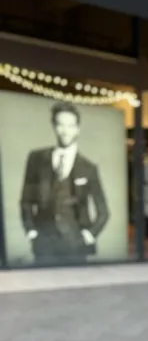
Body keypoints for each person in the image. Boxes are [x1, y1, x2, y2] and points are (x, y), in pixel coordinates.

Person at [20, 101, 109, 264]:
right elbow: (26, 200)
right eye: (60, 125)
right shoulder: (37, 159)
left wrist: (88, 236)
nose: (65, 131)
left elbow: (103, 212)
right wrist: (31, 232)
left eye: (70, 125)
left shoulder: (88, 168)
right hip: (44, 243)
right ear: (54, 126)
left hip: (76, 244)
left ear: (77, 129)